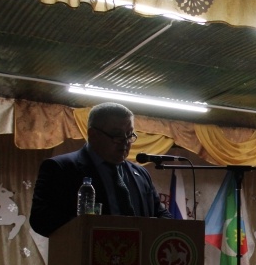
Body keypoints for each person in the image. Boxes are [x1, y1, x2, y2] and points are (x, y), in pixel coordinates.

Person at [30, 102, 172, 237]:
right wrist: (94, 230)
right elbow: (40, 219)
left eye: (129, 134)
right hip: (87, 251)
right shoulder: (61, 168)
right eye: (117, 135)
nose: (125, 142)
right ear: (93, 135)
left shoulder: (140, 174)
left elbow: (161, 214)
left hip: (139, 253)